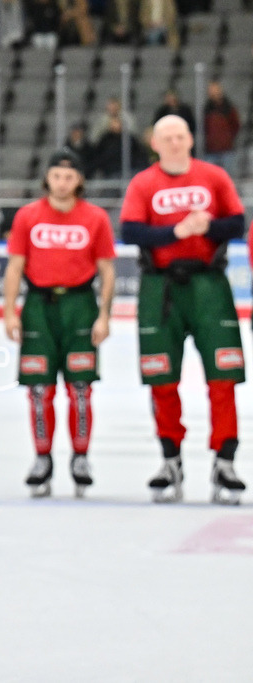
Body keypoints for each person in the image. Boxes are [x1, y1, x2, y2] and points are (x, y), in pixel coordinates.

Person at [120, 115, 246, 504]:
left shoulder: (214, 177)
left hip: (209, 285)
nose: (175, 143)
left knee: (223, 376)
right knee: (161, 377)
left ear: (190, 139)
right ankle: (170, 458)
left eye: (180, 136)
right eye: (167, 138)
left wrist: (207, 228)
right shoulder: (143, 183)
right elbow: (130, 231)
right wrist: (176, 232)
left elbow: (237, 223)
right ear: (155, 144)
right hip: (161, 288)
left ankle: (224, 460)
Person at [2, 148, 116, 498]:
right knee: (39, 389)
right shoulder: (28, 216)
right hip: (39, 305)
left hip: (80, 305)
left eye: (69, 177)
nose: (62, 183)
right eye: (56, 176)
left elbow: (107, 269)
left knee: (80, 388)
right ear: (47, 178)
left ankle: (81, 458)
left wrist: (104, 315)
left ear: (79, 180)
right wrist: (10, 311)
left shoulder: (95, 217)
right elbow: (15, 266)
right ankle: (42, 458)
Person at [203, 80, 241, 177]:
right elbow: (205, 127)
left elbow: (235, 125)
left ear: (220, 90)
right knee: (210, 177)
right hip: (211, 149)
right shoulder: (207, 108)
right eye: (210, 90)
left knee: (228, 177)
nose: (213, 92)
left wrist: (227, 137)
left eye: (215, 89)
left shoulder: (229, 108)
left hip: (227, 149)